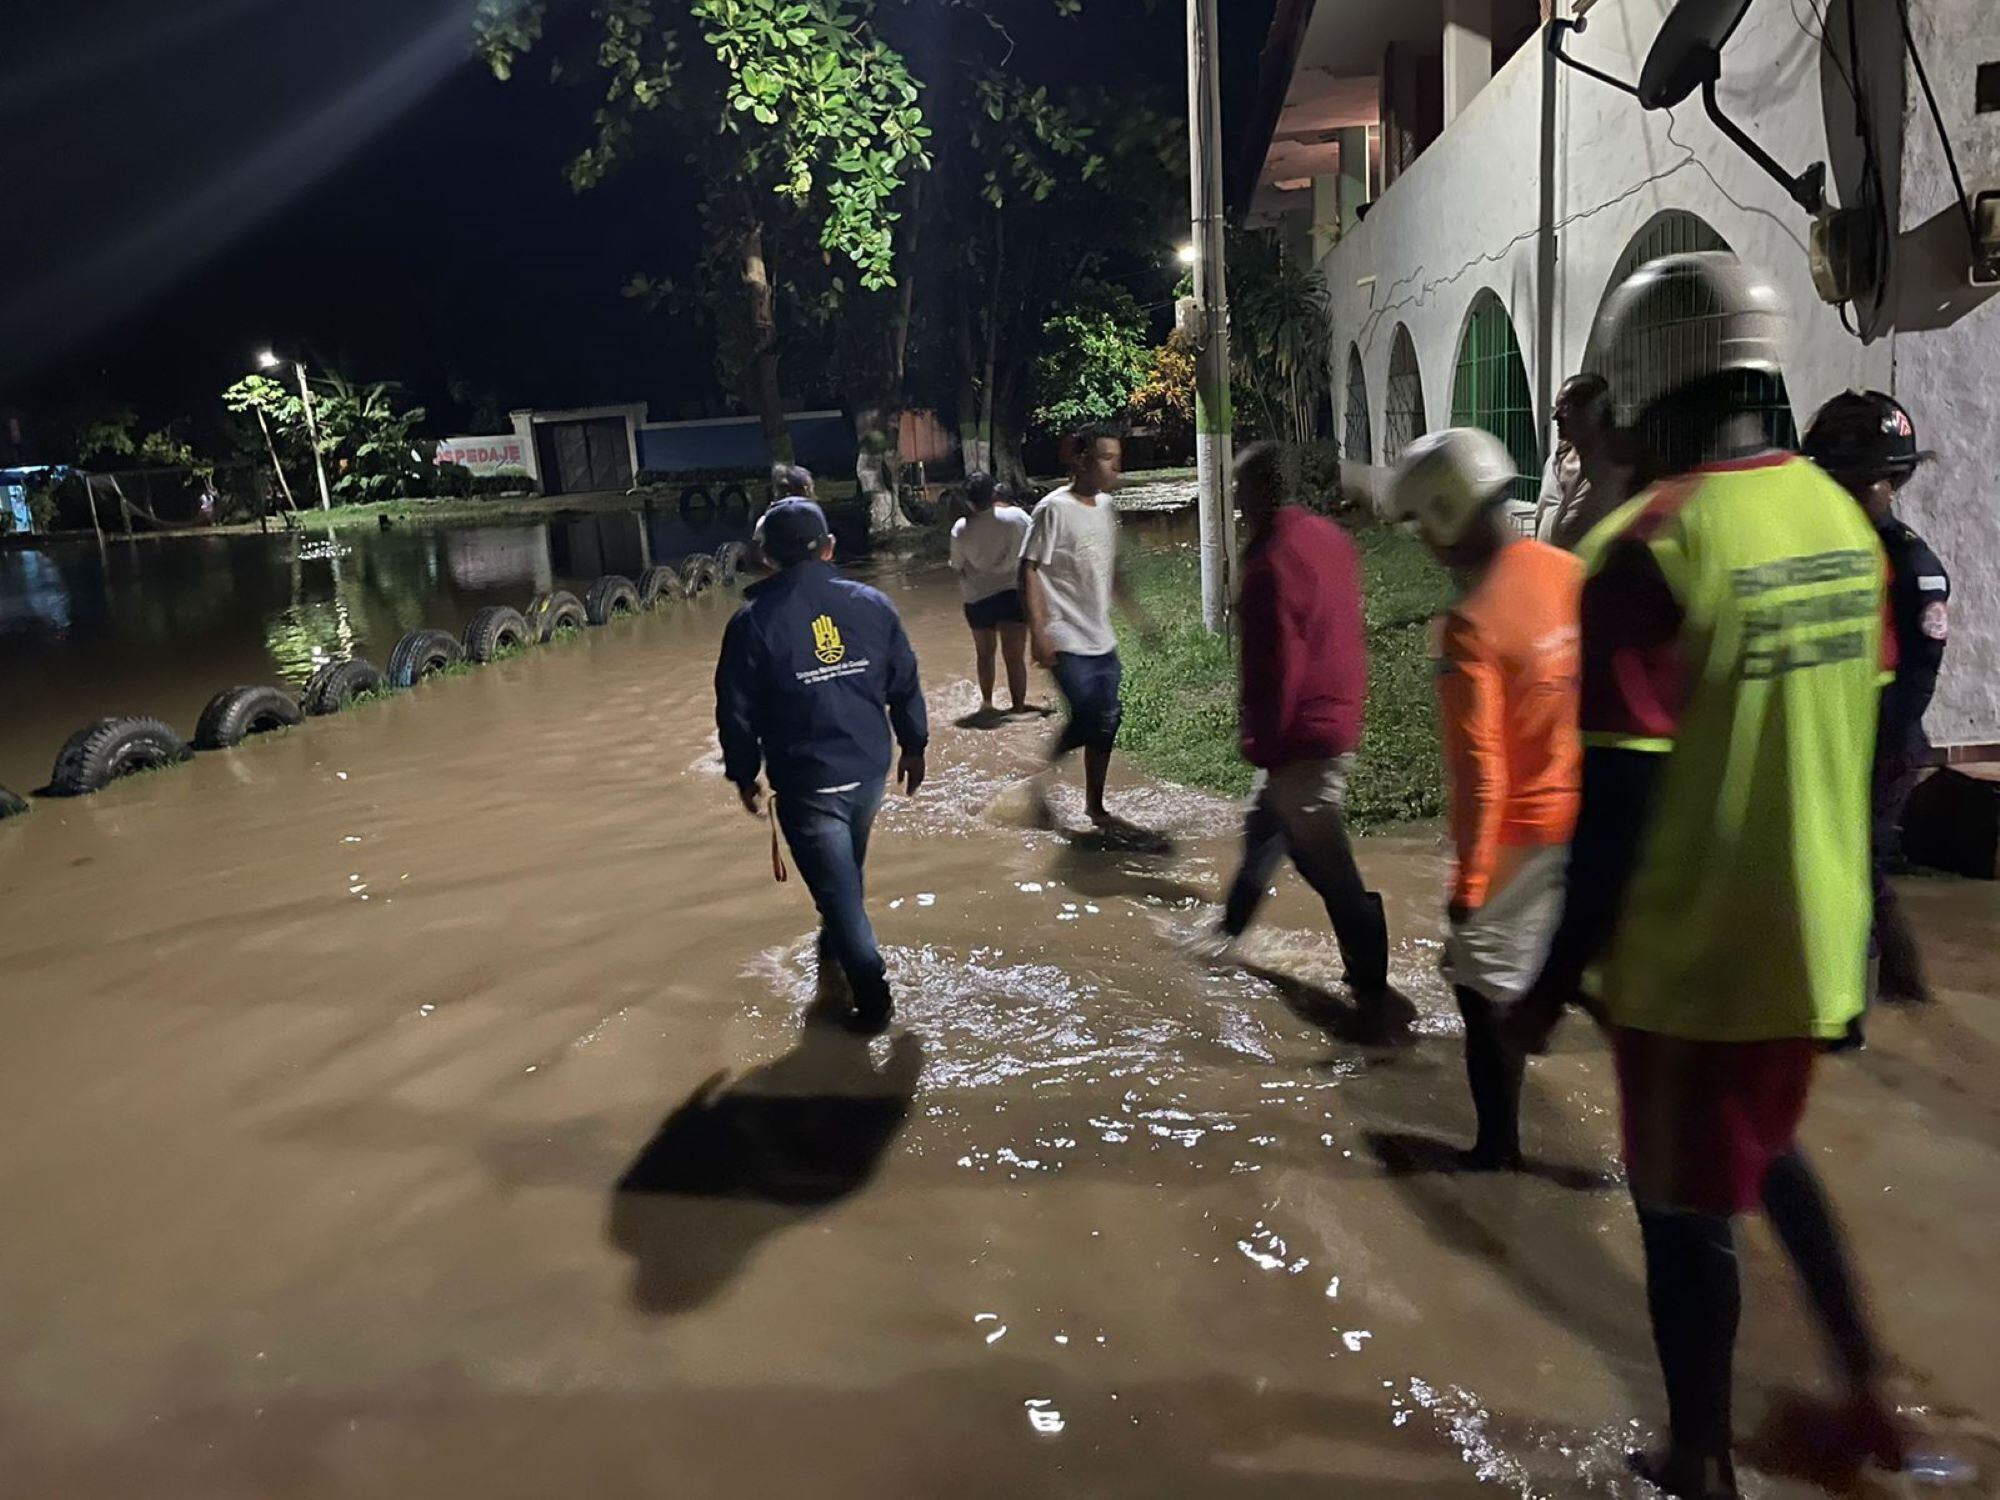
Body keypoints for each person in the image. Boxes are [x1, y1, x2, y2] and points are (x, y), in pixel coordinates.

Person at [1511, 253, 1905, 1497]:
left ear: (1639, 379)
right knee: (1767, 1149)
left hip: (1695, 956)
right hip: (1815, 931)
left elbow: (1615, 808)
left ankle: (1697, 1460)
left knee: (1682, 1210)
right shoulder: (1839, 519)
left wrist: (1546, 982)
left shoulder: (1650, 543)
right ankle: (1864, 1393)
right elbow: (1873, 734)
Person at [1389, 427, 1581, 1168]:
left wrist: (1469, 886)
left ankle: (1497, 1150)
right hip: (1591, 817)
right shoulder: (1568, 573)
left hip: (1522, 837)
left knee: (1481, 994)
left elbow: (1481, 771)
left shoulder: (1470, 625)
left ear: (1444, 516)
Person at [715, 497, 929, 1034]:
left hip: (809, 781)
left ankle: (874, 1000)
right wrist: (915, 745)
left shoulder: (752, 623)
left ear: (765, 558)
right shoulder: (873, 604)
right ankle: (832, 950)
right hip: (870, 766)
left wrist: (744, 775)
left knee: (841, 894)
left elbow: (735, 713)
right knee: (843, 880)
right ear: (830, 547)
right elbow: (904, 680)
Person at [1216, 442, 1394, 1017]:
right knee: (1263, 827)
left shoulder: (1269, 561)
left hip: (1301, 736)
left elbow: (1278, 665)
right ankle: (1225, 938)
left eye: (1241, 489)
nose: (1237, 501)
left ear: (1259, 492)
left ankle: (1374, 997)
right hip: (1334, 715)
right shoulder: (1329, 538)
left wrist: (1261, 744)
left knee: (1329, 869)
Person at [1804, 390, 1947, 1006]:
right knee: (1845, 863)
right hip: (1833, 731)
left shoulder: (1913, 564)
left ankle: (1855, 1003)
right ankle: (1879, 986)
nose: (1852, 499)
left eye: (1867, 486)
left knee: (1855, 864)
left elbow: (1918, 674)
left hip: (1881, 740)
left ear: (1896, 482)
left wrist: (1877, 749)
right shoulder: (1825, 548)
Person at [1021, 426, 1152, 825]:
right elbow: (1028, 569)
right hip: (1064, 636)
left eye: (1117, 458)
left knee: (1107, 721)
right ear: (1081, 461)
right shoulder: (1052, 509)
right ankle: (1040, 778)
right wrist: (1039, 632)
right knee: (1093, 714)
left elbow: (1113, 569)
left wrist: (1139, 617)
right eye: (1107, 458)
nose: (1116, 466)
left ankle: (1094, 805)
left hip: (1101, 637)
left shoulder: (1107, 507)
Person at [948, 471, 1034, 717]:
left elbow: (957, 565)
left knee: (984, 655)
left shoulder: (960, 528)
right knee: (1014, 658)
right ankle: (1018, 707)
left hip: (977, 598)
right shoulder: (1017, 517)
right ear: (993, 493)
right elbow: (1034, 546)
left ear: (968, 500)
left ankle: (987, 704)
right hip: (1012, 594)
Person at [1533, 373, 1633, 550]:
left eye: (1566, 408)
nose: (1555, 417)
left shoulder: (1618, 470)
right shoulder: (1554, 463)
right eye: (1555, 408)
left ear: (1596, 410)